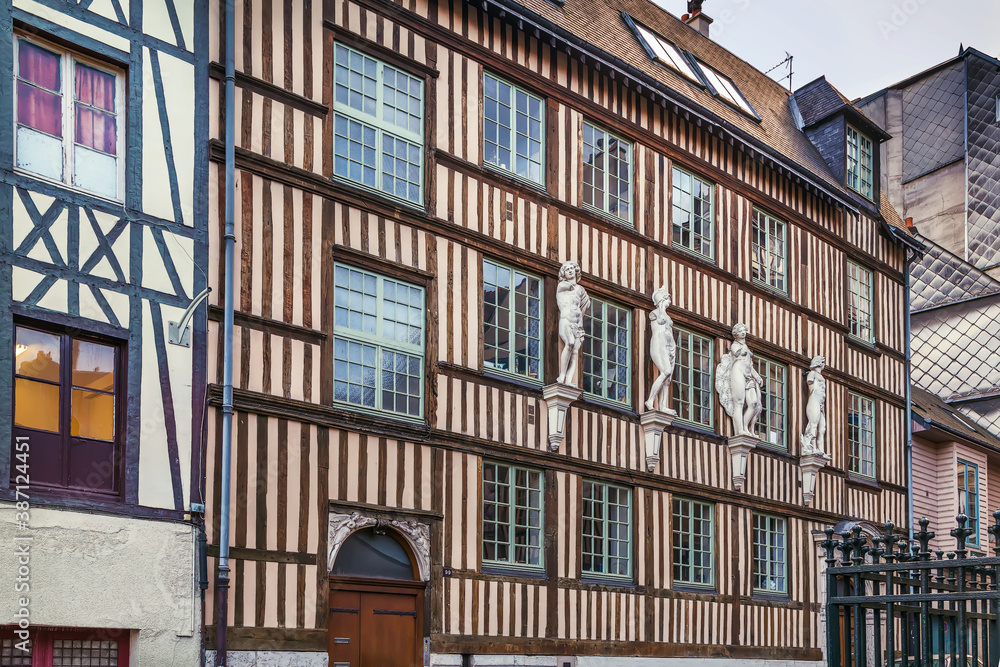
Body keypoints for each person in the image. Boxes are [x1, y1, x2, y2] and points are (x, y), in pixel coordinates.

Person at [555, 261, 590, 386]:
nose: (570, 271)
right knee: (569, 343)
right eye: (567, 269)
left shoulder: (580, 289)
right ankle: (562, 375)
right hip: (566, 321)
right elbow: (570, 286)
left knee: (574, 354)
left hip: (577, 325)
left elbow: (586, 304)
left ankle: (569, 381)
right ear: (563, 273)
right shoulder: (562, 286)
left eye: (572, 268)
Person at [644, 287, 677, 413]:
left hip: (670, 346)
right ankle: (650, 400)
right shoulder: (655, 313)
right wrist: (661, 309)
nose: (669, 302)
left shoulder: (667, 316)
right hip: (659, 343)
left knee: (668, 379)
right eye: (668, 299)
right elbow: (658, 321)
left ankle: (663, 406)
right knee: (666, 371)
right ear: (662, 299)